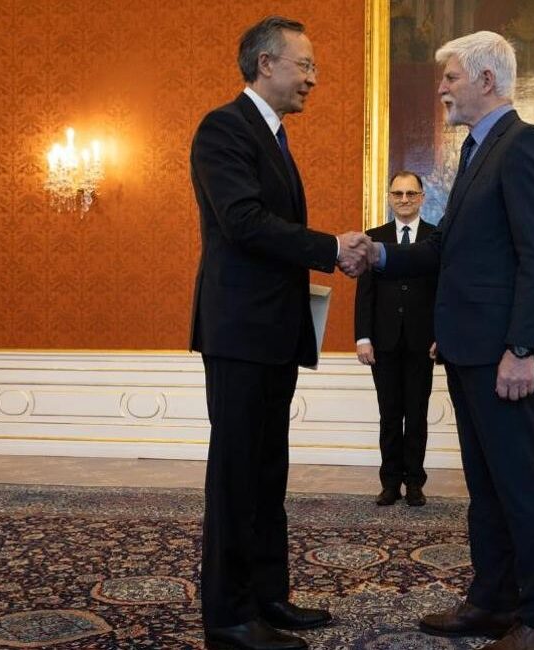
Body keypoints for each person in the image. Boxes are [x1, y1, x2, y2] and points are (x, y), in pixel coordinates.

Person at [370, 31, 534, 650]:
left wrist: (521, 349)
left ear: (486, 80)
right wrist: (378, 254)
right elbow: (448, 250)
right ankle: (492, 602)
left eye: (451, 77)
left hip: (503, 356)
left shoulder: (524, 143)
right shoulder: (479, 150)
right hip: (468, 352)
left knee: (523, 490)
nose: (442, 89)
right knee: (486, 489)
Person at [189, 16, 371, 650]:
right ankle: (229, 617)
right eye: (306, 65)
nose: (313, 79)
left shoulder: (273, 135)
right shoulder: (223, 128)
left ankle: (267, 596)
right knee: (237, 475)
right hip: (240, 334)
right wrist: (331, 248)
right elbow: (242, 222)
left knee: (268, 472)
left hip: (272, 333)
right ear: (266, 64)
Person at [355, 171, 437, 507]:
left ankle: (415, 483)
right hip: (383, 341)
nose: (404, 199)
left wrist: (441, 335)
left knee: (417, 414)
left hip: (423, 342)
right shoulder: (373, 238)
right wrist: (363, 337)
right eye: (398, 194)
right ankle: (390, 483)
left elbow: (443, 292)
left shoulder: (435, 237)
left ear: (422, 198)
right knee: (389, 414)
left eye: (410, 193)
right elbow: (365, 293)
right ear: (389, 198)